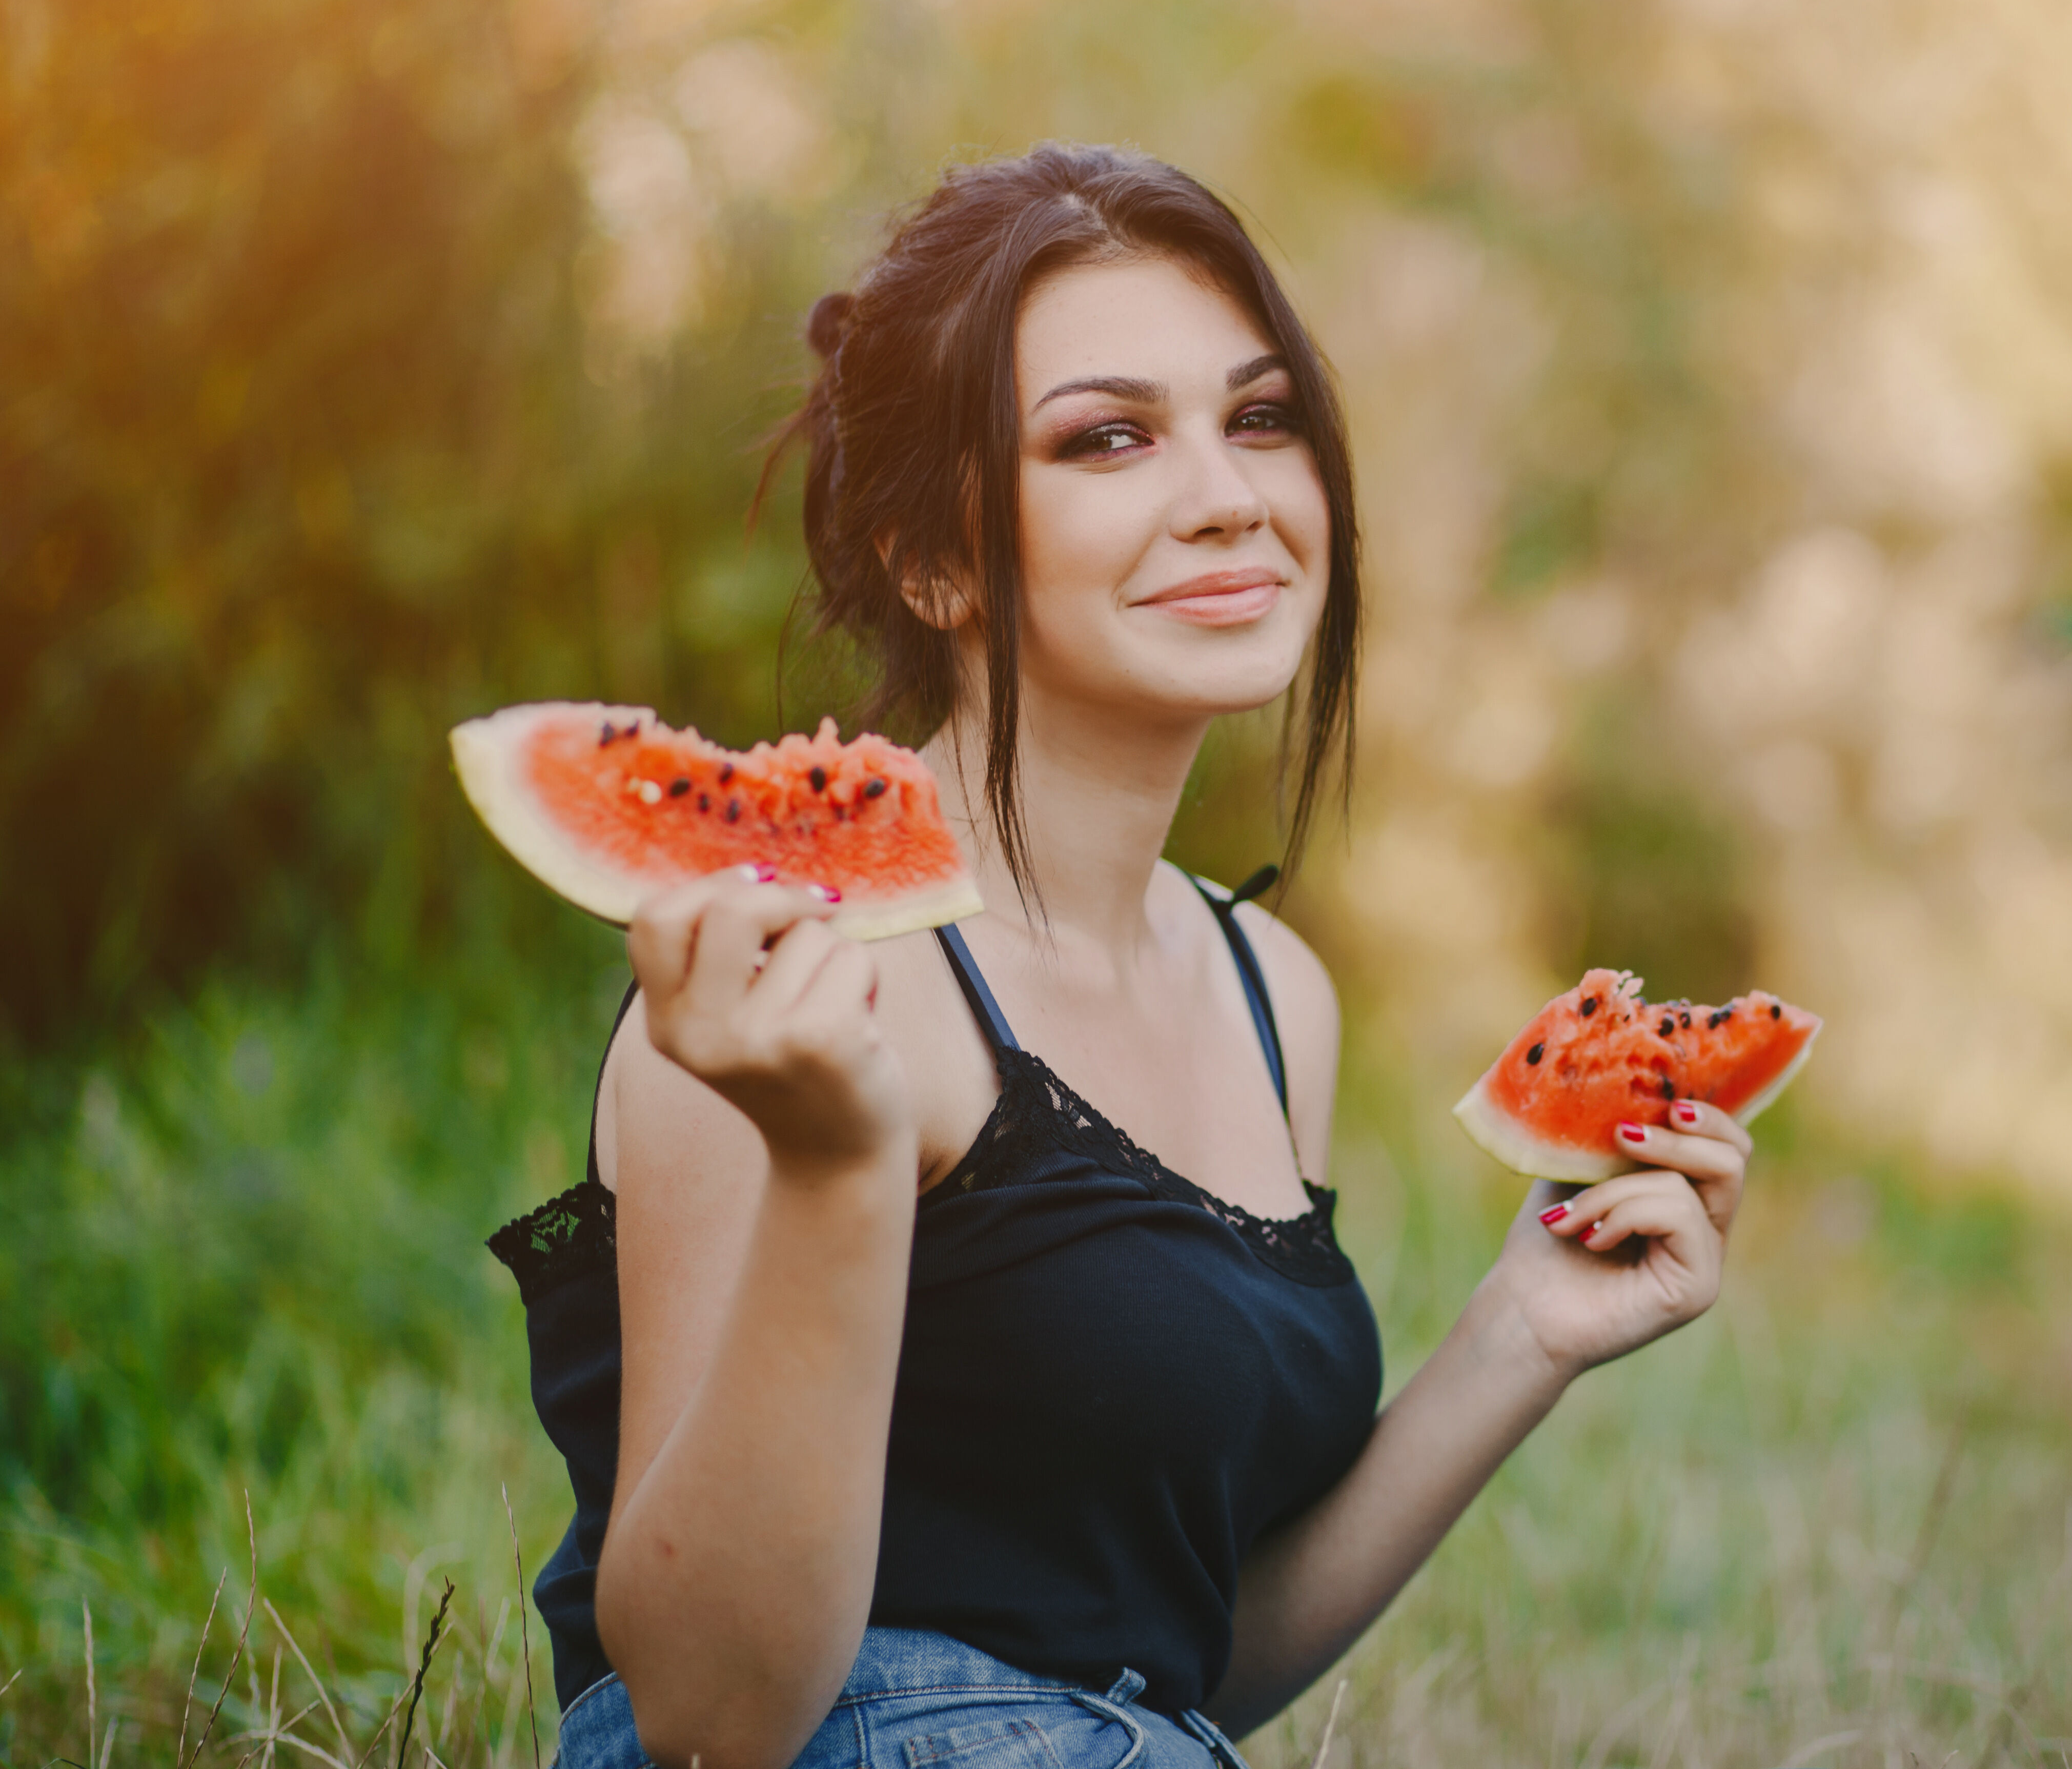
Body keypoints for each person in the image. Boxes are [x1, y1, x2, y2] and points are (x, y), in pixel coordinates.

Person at [486, 141, 1757, 1769]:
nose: (1227, 491)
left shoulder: (1272, 993)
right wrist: (835, 1163)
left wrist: (1524, 1332)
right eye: (1107, 438)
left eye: (1263, 416)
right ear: (934, 562)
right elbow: (714, 1724)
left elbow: (1170, 1663)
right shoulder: (791, 982)